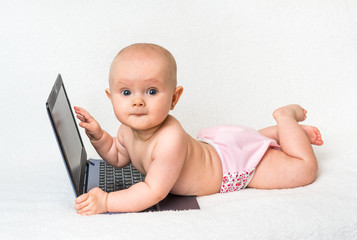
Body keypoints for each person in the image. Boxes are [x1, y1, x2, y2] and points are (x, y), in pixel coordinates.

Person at [74, 43, 323, 215]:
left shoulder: (169, 139)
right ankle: (281, 135)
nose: (137, 101)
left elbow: (152, 191)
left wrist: (107, 201)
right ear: (111, 97)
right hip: (220, 146)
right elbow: (117, 157)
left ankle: (285, 118)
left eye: (151, 91)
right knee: (255, 141)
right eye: (126, 92)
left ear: (174, 97)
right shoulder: (127, 130)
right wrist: (98, 136)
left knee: (303, 169)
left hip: (230, 166)